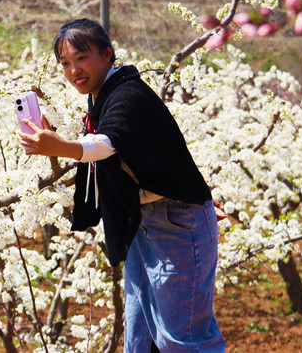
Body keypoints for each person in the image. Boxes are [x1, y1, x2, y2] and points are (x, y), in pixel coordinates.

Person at [18, 18, 225, 353]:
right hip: (144, 223)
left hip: (177, 221)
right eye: (65, 63)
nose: (74, 71)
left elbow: (108, 143)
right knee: (140, 340)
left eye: (81, 58)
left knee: (183, 339)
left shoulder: (127, 93)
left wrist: (61, 147)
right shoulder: (101, 98)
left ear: (107, 54)